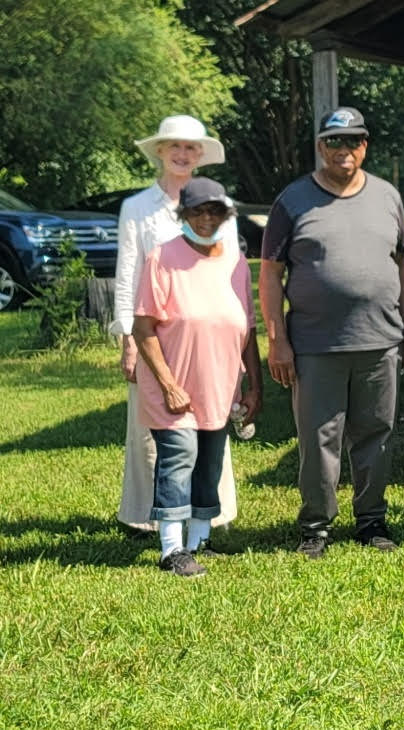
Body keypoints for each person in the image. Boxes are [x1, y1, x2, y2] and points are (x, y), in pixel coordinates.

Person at [260, 107, 404, 557]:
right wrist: (278, 340)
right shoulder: (292, 200)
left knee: (376, 433)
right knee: (318, 438)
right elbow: (269, 274)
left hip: (380, 339)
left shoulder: (388, 196)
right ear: (320, 147)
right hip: (314, 344)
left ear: (365, 146)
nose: (344, 150)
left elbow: (401, 262)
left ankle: (372, 521)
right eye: (334, 141)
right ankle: (315, 527)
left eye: (353, 141)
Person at [113, 115, 240, 535]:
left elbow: (231, 272)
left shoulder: (221, 206)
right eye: (175, 148)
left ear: (200, 155)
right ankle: (149, 518)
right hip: (154, 331)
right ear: (161, 153)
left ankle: (209, 514)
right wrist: (128, 338)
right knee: (153, 430)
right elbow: (128, 272)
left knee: (211, 425)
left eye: (191, 148)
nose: (183, 155)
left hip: (207, 336)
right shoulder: (138, 208)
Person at [131, 178, 263, 577]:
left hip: (220, 386)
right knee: (178, 458)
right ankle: (171, 549)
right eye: (197, 211)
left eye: (215, 211)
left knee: (210, 462)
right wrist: (170, 385)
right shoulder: (162, 258)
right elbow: (143, 328)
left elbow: (248, 329)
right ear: (183, 215)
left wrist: (256, 386)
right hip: (174, 388)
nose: (206, 218)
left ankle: (198, 542)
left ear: (227, 215)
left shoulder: (235, 263)